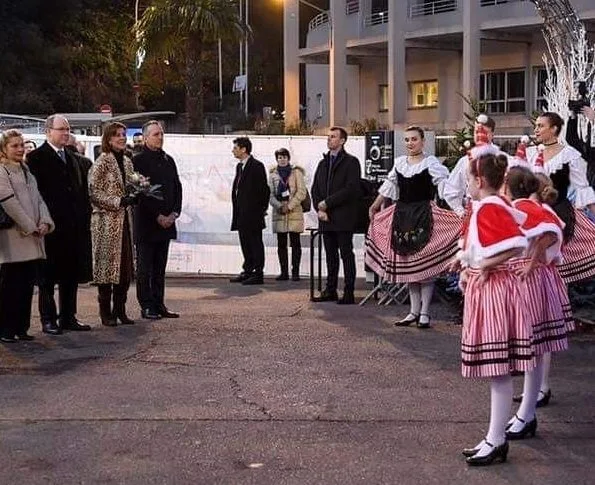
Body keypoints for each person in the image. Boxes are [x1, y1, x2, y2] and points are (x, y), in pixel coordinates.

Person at [455, 152, 534, 466]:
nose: (467, 186)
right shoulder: (491, 206)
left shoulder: (489, 206)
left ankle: (496, 439)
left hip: (496, 291)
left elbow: (516, 243)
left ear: (479, 180)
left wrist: (485, 264)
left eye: (468, 180)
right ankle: (495, 437)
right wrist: (470, 267)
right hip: (490, 288)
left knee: (498, 368)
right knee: (497, 370)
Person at [366, 127, 461, 327]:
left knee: (424, 266)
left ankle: (425, 313)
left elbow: (445, 188)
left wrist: (459, 211)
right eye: (407, 140)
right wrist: (375, 205)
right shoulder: (400, 163)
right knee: (409, 265)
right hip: (403, 215)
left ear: (423, 141)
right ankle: (413, 311)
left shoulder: (431, 163)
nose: (410, 143)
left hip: (424, 215)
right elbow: (389, 186)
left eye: (414, 139)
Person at [503, 167, 572, 439]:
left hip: (530, 281)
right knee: (532, 349)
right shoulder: (524, 207)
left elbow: (550, 232)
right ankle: (526, 412)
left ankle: (527, 414)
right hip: (530, 279)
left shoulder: (524, 208)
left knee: (532, 348)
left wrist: (532, 262)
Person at [27, 115, 93, 335]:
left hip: (73, 227)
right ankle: (48, 318)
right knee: (47, 277)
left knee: (70, 274)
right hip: (50, 227)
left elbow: (80, 191)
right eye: (61, 129)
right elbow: (35, 195)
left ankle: (68, 316)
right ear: (49, 131)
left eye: (67, 129)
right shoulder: (36, 158)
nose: (66, 133)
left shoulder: (73, 158)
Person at [528, 112, 595, 283]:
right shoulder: (529, 153)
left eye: (541, 126)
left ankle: (552, 294)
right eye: (536, 126)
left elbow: (583, 189)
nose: (536, 130)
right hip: (531, 213)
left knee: (551, 260)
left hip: (558, 212)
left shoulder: (570, 155)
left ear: (554, 129)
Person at [0, 130, 54, 342]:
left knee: (25, 286)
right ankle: (5, 329)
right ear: (4, 149)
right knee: (9, 287)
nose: (20, 149)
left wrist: (45, 222)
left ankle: (21, 328)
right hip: (13, 238)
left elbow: (39, 200)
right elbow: (8, 202)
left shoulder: (26, 171)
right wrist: (30, 226)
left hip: (32, 237)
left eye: (21, 145)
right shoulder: (3, 171)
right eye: (14, 146)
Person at [133, 120, 182, 319]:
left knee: (160, 267)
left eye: (161, 134)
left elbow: (177, 187)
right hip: (147, 223)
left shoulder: (168, 160)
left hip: (167, 223)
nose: (160, 138)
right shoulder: (138, 161)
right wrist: (158, 215)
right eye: (155, 134)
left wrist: (174, 213)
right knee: (145, 268)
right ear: (145, 138)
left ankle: (159, 302)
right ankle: (146, 305)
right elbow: (140, 194)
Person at [89, 122, 136, 327]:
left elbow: (131, 184)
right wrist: (118, 201)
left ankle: (120, 309)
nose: (122, 138)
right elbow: (94, 192)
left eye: (124, 134)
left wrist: (136, 194)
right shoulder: (101, 162)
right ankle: (105, 311)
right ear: (108, 139)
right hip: (106, 223)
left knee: (124, 269)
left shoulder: (126, 162)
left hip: (124, 221)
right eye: (117, 135)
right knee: (107, 268)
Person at [311, 127, 361, 304]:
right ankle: (330, 290)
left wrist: (328, 203)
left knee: (346, 254)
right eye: (328, 137)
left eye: (333, 137)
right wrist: (320, 208)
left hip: (343, 217)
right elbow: (315, 188)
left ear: (342, 141)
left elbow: (351, 189)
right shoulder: (323, 163)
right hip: (326, 218)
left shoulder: (351, 162)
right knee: (330, 255)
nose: (329, 139)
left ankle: (349, 291)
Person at [444, 115, 508, 217]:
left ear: (492, 134)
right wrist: (459, 210)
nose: (479, 135)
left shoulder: (503, 159)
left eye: (484, 132)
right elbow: (452, 188)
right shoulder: (465, 161)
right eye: (476, 132)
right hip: (472, 211)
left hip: (497, 210)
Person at [229, 137, 270, 285]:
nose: (233, 151)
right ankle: (248, 270)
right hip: (241, 213)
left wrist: (261, 209)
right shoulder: (239, 167)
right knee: (245, 242)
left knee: (255, 242)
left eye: (235, 148)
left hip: (253, 214)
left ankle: (258, 273)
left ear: (243, 149)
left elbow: (264, 190)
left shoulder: (257, 166)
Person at [268, 148, 307, 281]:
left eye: (284, 157)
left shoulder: (296, 173)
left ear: (288, 158)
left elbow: (301, 192)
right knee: (281, 243)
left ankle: (295, 272)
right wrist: (279, 206)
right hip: (279, 213)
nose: (282, 160)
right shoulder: (273, 175)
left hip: (294, 211)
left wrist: (289, 206)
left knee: (295, 243)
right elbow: (270, 194)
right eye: (279, 157)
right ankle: (284, 272)